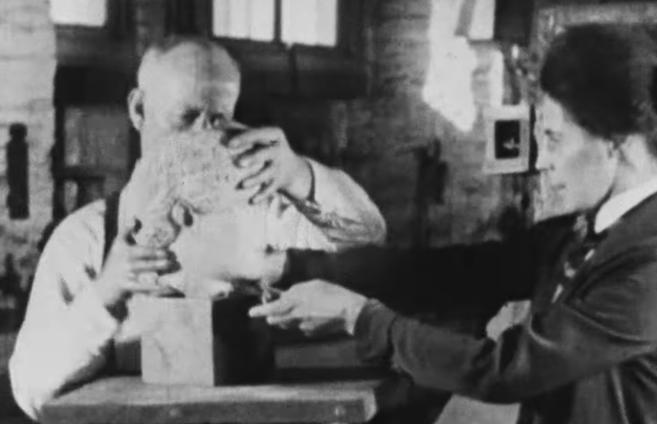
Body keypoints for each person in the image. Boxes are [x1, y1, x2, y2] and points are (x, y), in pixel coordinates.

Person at [250, 25, 657, 424]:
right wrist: (290, 268)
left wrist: (358, 316)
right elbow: (454, 273)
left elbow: (503, 371)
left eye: (552, 139)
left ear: (617, 143)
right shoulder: (588, 229)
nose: (541, 161)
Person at [9, 36, 386, 421]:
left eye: (218, 118)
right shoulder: (84, 239)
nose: (203, 135)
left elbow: (366, 232)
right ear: (139, 110)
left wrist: (300, 175)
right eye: (186, 117)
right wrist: (105, 294)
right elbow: (31, 390)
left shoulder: (256, 210)